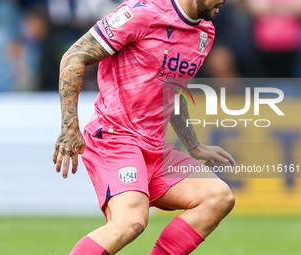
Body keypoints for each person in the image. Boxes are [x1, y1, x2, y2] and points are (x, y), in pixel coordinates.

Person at [53, 0, 236, 254]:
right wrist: (69, 127)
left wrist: (194, 145)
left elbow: (171, 89)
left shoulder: (205, 32)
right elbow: (74, 56)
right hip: (116, 137)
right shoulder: (142, 12)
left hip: (155, 149)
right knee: (130, 221)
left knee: (217, 197)